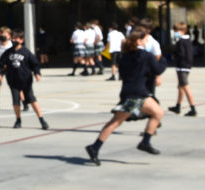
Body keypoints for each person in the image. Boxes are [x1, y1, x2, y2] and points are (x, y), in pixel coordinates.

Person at [84, 27, 168, 165]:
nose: (148, 42)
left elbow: (124, 73)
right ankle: (144, 142)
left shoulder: (125, 56)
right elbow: (158, 69)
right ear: (139, 41)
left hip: (128, 91)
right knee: (155, 114)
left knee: (117, 121)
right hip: (138, 94)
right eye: (146, 39)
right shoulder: (147, 56)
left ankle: (95, 147)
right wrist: (163, 60)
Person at [0, 29, 49, 130]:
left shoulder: (26, 52)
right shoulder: (8, 52)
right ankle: (18, 120)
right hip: (13, 81)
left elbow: (35, 64)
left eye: (17, 39)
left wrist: (37, 73)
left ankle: (42, 120)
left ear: (21, 40)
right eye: (14, 38)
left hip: (26, 81)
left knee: (32, 100)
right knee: (16, 102)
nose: (15, 40)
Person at [168, 23, 197, 117]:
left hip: (182, 66)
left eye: (177, 31)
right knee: (180, 86)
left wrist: (174, 55)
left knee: (185, 86)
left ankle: (193, 108)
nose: (175, 33)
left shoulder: (181, 41)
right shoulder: (188, 40)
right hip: (187, 65)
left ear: (183, 31)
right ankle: (178, 106)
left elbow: (181, 53)